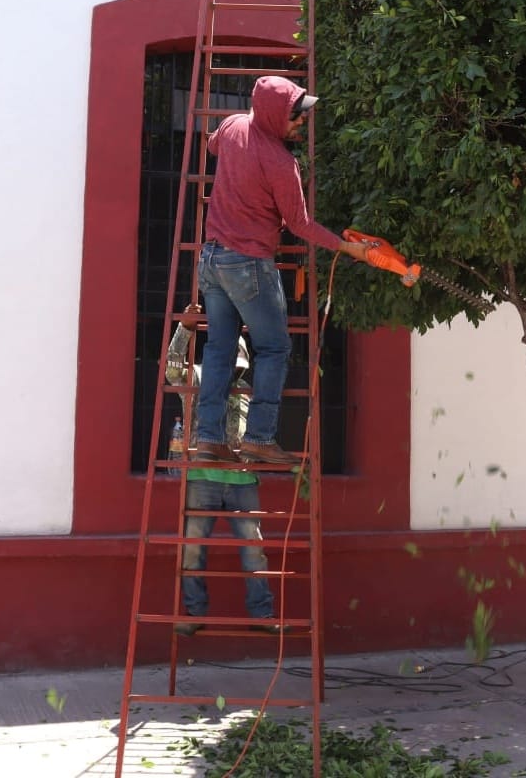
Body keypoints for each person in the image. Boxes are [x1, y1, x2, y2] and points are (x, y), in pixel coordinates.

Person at [196, 75, 368, 466]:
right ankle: (258, 437)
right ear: (275, 114)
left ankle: (208, 436)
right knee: (273, 348)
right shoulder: (280, 162)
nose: (301, 123)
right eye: (295, 117)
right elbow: (300, 224)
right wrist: (348, 248)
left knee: (219, 350)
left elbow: (212, 146)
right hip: (248, 263)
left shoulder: (233, 124)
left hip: (211, 260)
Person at [165, 304, 281, 635]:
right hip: (203, 476)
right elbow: (172, 370)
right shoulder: (199, 377)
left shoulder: (249, 388)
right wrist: (184, 329)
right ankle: (194, 612)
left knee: (253, 550)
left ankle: (262, 614)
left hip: (241, 478)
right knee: (192, 548)